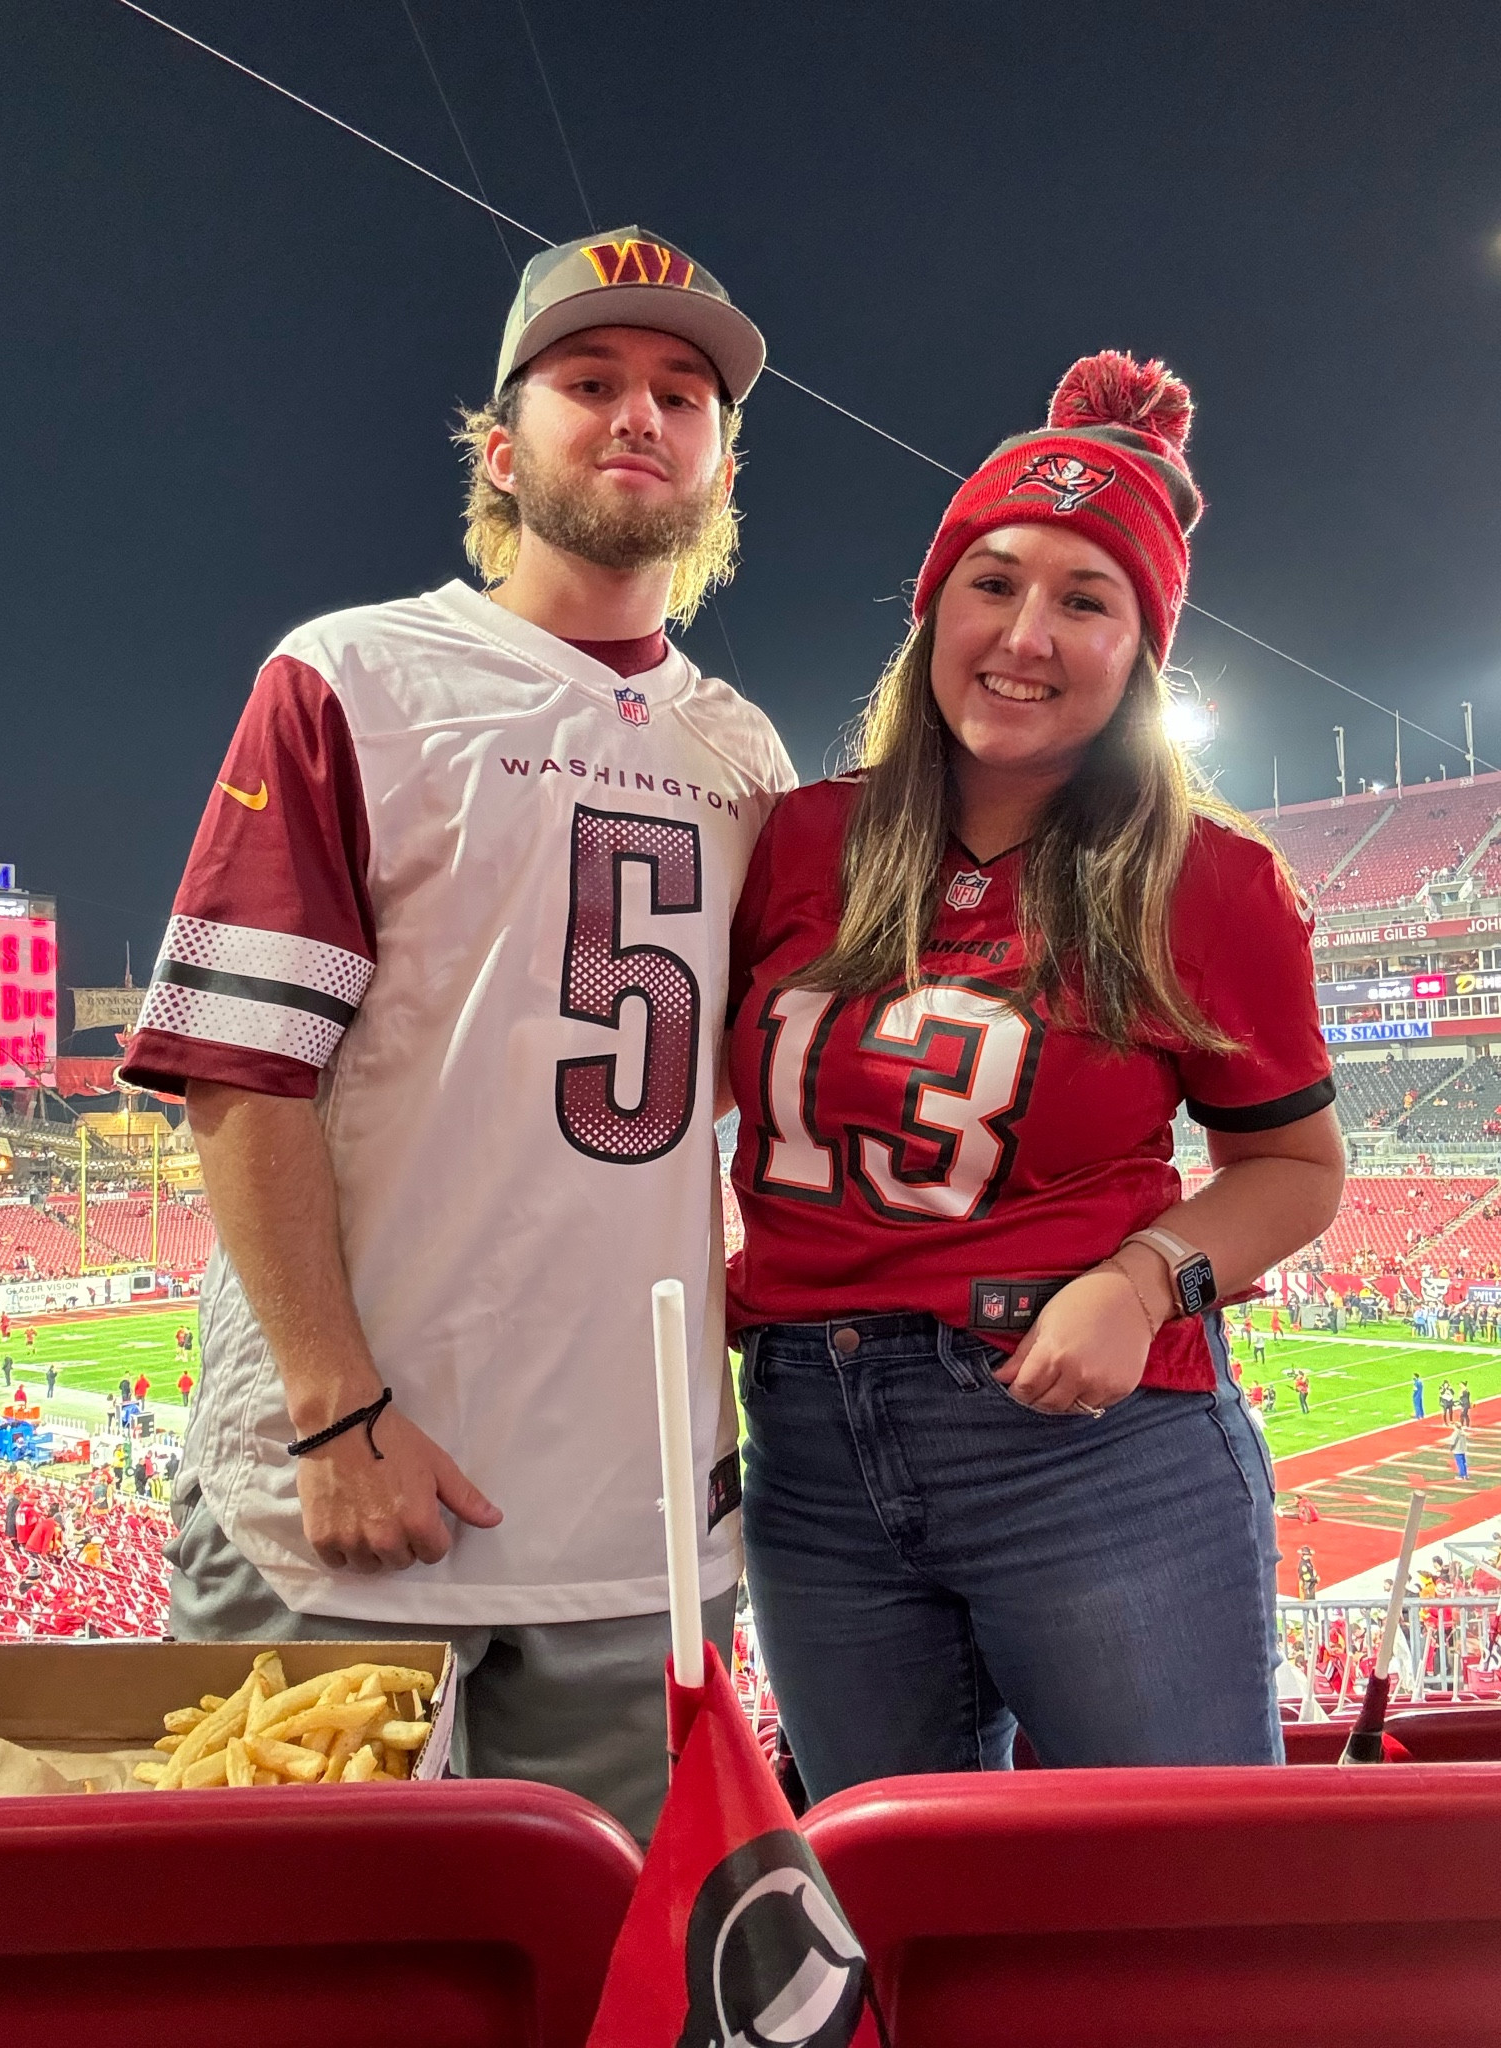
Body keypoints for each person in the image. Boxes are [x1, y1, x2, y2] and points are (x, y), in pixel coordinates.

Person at [117, 228, 792, 1841]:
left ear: (720, 463)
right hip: (346, 1490)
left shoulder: (748, 756)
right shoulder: (353, 676)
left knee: (615, 1955)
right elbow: (239, 1068)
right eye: (590, 379)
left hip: (633, 1521)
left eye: (683, 393)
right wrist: (333, 1408)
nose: (640, 414)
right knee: (305, 1952)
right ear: (502, 447)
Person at [726, 351, 1343, 1793]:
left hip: (1088, 1440)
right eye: (992, 582)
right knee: (895, 1883)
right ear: (932, 609)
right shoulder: (798, 839)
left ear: (1141, 654)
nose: (1025, 634)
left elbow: (1296, 1170)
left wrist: (1143, 1284)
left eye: (1087, 600)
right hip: (808, 1442)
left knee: (1177, 1890)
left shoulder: (1209, 879)